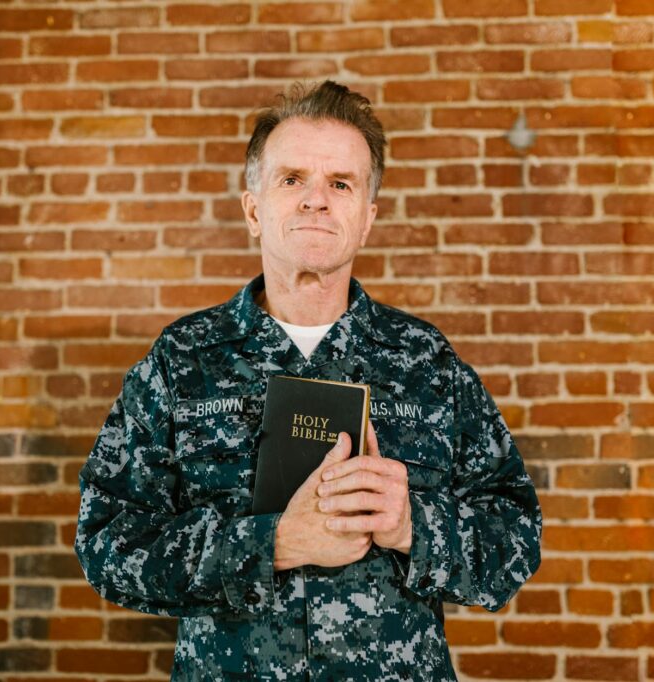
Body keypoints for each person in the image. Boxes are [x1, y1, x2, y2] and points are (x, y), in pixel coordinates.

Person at [75, 80, 542, 681]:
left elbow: (517, 539)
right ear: (253, 208)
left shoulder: (428, 362)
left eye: (340, 184)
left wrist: (412, 525)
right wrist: (269, 544)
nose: (316, 200)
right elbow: (107, 540)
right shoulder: (182, 360)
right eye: (292, 179)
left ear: (367, 218)